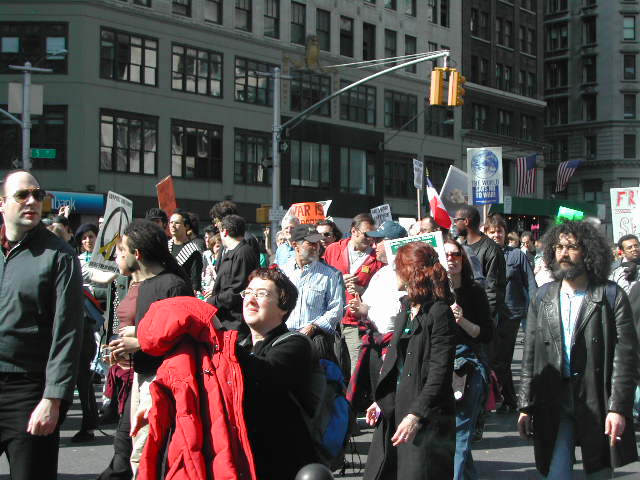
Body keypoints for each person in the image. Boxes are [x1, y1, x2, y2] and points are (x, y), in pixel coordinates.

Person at [517, 221, 639, 479]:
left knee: (599, 473)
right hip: (554, 400)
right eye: (559, 246)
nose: (563, 252)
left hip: (597, 398)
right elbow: (530, 354)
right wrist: (526, 405)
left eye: (572, 247)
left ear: (588, 252)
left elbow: (625, 358)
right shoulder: (543, 297)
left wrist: (618, 408)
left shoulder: (611, 295)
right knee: (555, 472)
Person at [0, 169, 83, 479]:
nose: (32, 201)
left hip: (29, 391)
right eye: (23, 195)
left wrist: (53, 398)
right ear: (3, 203)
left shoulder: (59, 255)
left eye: (38, 195)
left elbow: (68, 332)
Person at [100, 220, 194, 479]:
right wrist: (128, 343)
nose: (117, 255)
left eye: (122, 250)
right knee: (125, 448)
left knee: (143, 453)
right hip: (139, 378)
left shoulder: (172, 285)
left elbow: (182, 337)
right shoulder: (138, 283)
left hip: (160, 381)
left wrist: (139, 341)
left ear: (137, 254)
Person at [363, 242, 457, 480]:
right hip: (397, 408)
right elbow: (396, 359)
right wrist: (381, 401)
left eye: (397, 267)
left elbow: (439, 371)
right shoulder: (406, 306)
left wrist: (416, 414)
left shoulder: (439, 312)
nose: (393, 271)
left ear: (410, 271)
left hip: (426, 417)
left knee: (418, 473)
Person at [236, 267, 320, 479]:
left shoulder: (296, 344)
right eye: (248, 292)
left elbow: (265, 375)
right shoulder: (244, 346)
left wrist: (221, 341)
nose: (250, 300)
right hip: (248, 459)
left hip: (286, 463)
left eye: (262, 294)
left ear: (283, 307)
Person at [443, 237, 492, 480]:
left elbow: (486, 334)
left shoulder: (474, 292)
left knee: (460, 433)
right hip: (439, 366)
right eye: (447, 255)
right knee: (451, 435)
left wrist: (462, 320)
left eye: (456, 255)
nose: (451, 260)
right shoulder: (434, 291)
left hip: (467, 368)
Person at [485, 214, 537, 413]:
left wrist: (535, 309)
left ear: (505, 233)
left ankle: (509, 399)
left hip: (511, 314)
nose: (496, 234)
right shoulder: (479, 253)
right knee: (490, 358)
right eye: (492, 231)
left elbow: (530, 283)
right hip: (487, 314)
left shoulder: (517, 256)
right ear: (486, 233)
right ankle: (494, 398)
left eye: (499, 231)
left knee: (503, 359)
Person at [323, 213, 384, 374]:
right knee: (333, 365)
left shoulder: (376, 258)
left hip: (355, 322)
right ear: (354, 231)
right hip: (332, 321)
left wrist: (361, 291)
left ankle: (353, 399)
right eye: (366, 234)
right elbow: (321, 277)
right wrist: (339, 279)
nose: (370, 239)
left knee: (356, 369)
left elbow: (379, 293)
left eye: (373, 235)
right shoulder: (333, 249)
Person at [281, 224, 344, 338]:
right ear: (296, 245)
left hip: (314, 340)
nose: (316, 247)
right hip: (284, 336)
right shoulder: (282, 272)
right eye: (311, 243)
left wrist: (314, 326)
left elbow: (336, 309)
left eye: (318, 243)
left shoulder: (329, 274)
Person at [207, 214, 260, 337]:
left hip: (235, 322)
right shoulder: (233, 252)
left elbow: (237, 289)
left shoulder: (243, 253)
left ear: (224, 231)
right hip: (227, 319)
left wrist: (212, 301)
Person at [453, 205, 506, 325]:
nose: (454, 224)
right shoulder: (461, 248)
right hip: (465, 316)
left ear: (466, 221)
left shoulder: (491, 249)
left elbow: (494, 289)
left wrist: (485, 318)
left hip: (483, 317)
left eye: (456, 221)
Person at [168, 208, 203, 292]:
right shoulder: (165, 246)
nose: (172, 225)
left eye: (177, 223)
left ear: (186, 226)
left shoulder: (193, 250)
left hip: (182, 293)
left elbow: (195, 282)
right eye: (171, 222)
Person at [201, 225, 221, 297]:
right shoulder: (206, 255)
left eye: (210, 237)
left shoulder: (225, 257)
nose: (207, 240)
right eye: (206, 237)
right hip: (206, 291)